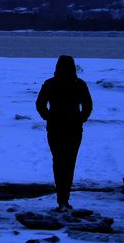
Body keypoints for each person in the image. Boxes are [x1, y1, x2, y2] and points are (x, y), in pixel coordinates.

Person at [35, 55, 92, 211]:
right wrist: (80, 118)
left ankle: (62, 199)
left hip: (59, 128)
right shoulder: (78, 84)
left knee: (59, 162)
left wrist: (49, 117)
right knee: (68, 163)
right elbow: (88, 106)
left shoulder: (51, 84)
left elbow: (40, 104)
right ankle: (63, 199)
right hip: (69, 128)